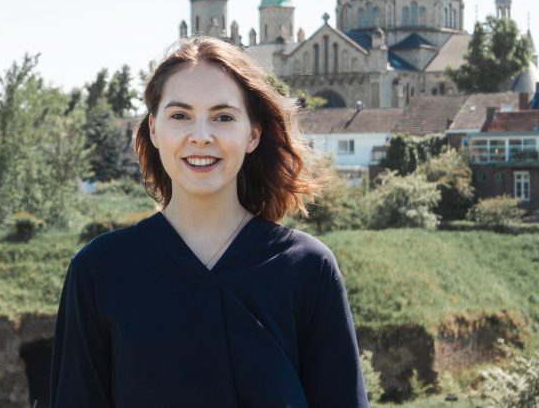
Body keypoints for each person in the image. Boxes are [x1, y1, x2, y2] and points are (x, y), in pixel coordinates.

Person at [50, 36, 369, 407]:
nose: (201, 137)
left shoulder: (307, 269)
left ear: (253, 134)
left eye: (223, 117)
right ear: (153, 129)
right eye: (180, 115)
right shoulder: (99, 271)